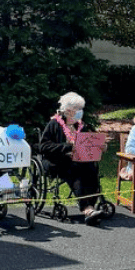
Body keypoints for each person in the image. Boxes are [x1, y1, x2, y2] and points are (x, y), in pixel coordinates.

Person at [39, 92, 105, 226]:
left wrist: (100, 146)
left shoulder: (81, 126)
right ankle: (86, 208)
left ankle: (91, 204)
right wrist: (67, 147)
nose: (80, 112)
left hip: (79, 160)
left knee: (91, 168)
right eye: (78, 109)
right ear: (68, 111)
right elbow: (43, 146)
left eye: (81, 109)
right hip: (57, 161)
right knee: (74, 170)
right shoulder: (54, 124)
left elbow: (88, 143)